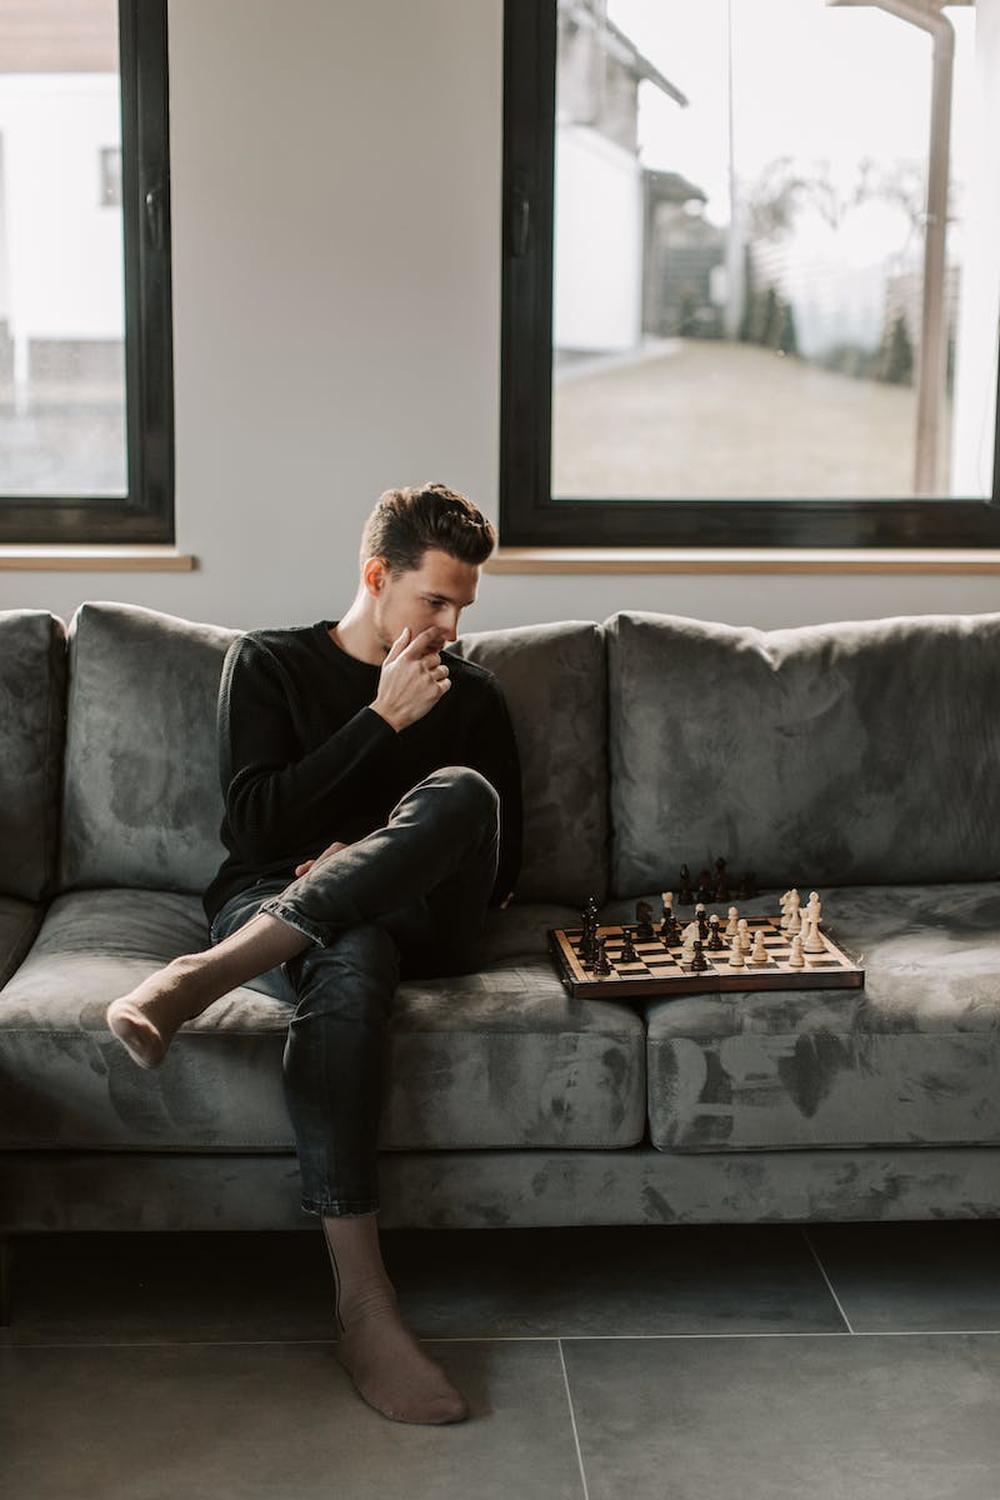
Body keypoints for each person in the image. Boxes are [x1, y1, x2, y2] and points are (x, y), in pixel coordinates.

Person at [104, 481, 523, 1427]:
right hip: (277, 901)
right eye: (436, 601)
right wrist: (379, 720)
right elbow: (252, 824)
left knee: (460, 789)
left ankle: (200, 981)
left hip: (429, 917)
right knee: (348, 954)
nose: (452, 626)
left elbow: (502, 868)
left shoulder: (478, 695)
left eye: (463, 606)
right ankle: (365, 1308)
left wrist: (368, 856)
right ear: (378, 578)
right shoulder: (269, 665)